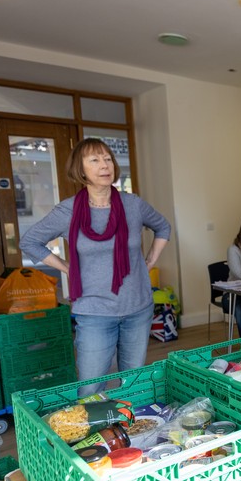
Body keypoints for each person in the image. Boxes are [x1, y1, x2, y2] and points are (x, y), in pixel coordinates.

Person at [20, 138, 171, 388]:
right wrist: (67, 268)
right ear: (81, 171)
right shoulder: (68, 211)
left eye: (108, 158)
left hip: (137, 307)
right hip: (93, 312)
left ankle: (128, 425)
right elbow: (30, 241)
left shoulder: (133, 204)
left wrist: (150, 261)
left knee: (133, 384)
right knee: (91, 387)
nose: (104, 165)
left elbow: (163, 226)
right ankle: (95, 428)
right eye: (95, 160)